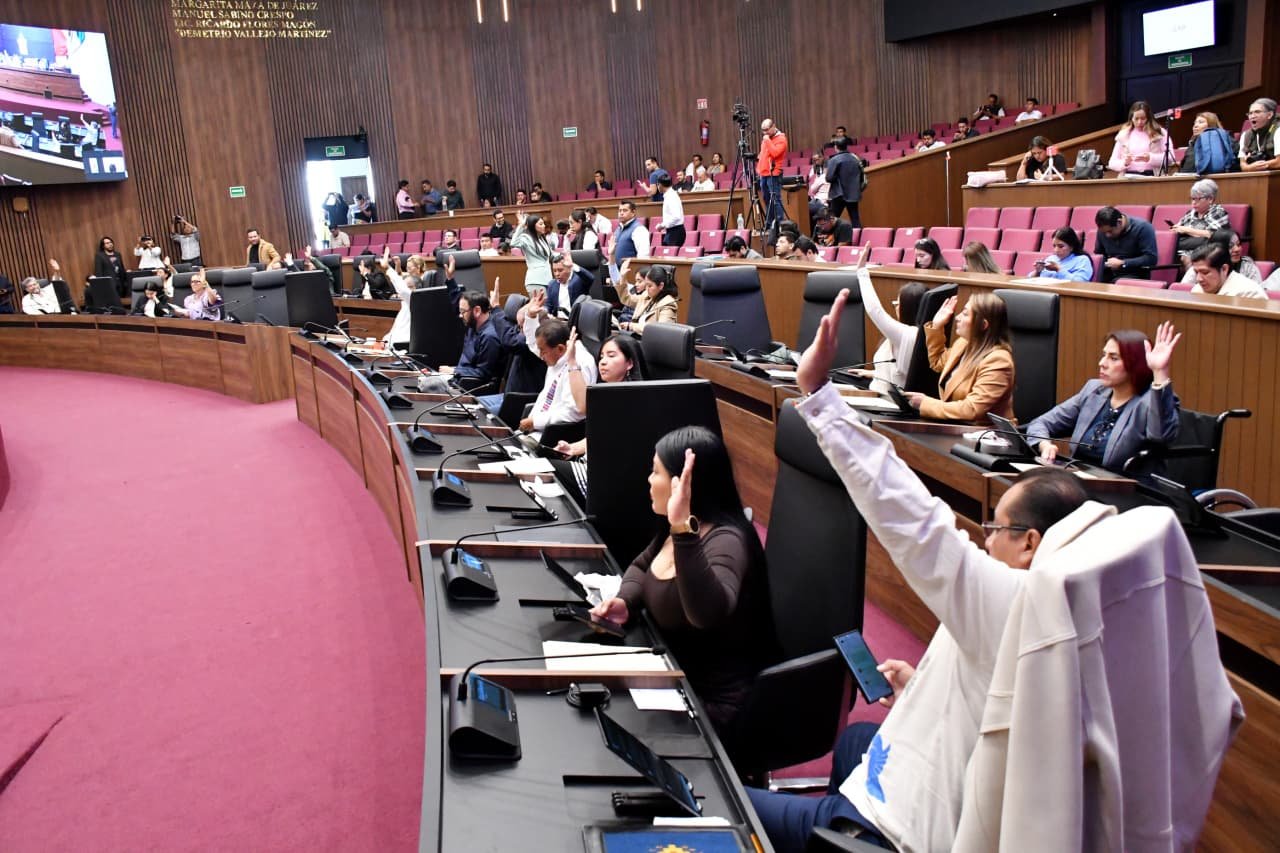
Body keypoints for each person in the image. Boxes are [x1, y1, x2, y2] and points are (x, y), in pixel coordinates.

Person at [748, 290, 1107, 851]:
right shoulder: (1073, 609)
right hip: (936, 780)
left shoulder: (1017, 601)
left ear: (1032, 544)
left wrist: (819, 397)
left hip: (893, 829)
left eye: (996, 531)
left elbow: (917, 523)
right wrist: (921, 685)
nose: (984, 542)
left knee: (726, 801)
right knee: (858, 739)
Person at [591, 426, 778, 745]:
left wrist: (681, 530)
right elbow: (640, 567)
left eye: (656, 472)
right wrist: (626, 601)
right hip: (670, 676)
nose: (649, 481)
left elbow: (707, 614)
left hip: (711, 709)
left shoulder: (725, 540)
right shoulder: (679, 529)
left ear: (685, 485)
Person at [1027, 324, 1181, 471]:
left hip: (1125, 489)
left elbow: (1161, 436)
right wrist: (1044, 445)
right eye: (1104, 355)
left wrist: (1160, 372)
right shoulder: (1094, 390)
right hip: (1078, 480)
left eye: (1113, 358)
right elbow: (1041, 423)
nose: (1102, 363)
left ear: (1136, 364)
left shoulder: (1151, 402)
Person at [904, 292, 1016, 423]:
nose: (957, 317)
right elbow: (937, 362)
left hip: (987, 434)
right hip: (958, 427)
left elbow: (972, 409)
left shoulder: (998, 361)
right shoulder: (964, 343)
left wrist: (925, 403)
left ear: (983, 325)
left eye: (965, 314)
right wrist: (937, 326)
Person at [554, 332, 648, 463]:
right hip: (589, 464)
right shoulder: (607, 394)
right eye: (602, 357)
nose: (603, 362)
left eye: (611, 356)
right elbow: (598, 436)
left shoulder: (633, 400)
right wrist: (572, 448)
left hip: (606, 472)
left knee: (547, 468)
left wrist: (572, 362)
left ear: (630, 363)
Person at [854, 246, 926, 390]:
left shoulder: (908, 334)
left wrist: (862, 272)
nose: (895, 306)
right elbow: (898, 372)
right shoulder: (918, 333)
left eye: (898, 303)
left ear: (909, 308)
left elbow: (875, 310)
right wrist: (874, 373)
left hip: (885, 404)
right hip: (878, 392)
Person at [516, 311, 597, 434]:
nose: (541, 356)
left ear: (560, 348)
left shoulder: (580, 363)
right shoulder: (558, 352)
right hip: (535, 428)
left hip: (552, 434)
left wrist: (535, 422)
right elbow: (535, 345)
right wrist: (531, 318)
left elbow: (574, 412)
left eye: (543, 352)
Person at [437, 289, 518, 390]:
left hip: (473, 388)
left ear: (477, 311)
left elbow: (483, 374)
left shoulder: (490, 337)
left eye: (463, 311)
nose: (460, 315)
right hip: (459, 380)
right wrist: (454, 371)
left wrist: (454, 371)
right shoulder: (472, 327)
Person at [1094, 206, 1157, 282]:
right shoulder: (1103, 231)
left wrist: (1123, 263)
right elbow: (1099, 255)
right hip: (1109, 273)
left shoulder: (1143, 228)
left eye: (1110, 231)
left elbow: (1151, 258)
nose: (1107, 235)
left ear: (1119, 222)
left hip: (1134, 274)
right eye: (1104, 232)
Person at [1107, 101, 1172, 176]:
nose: (1139, 122)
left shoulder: (1160, 133)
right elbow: (1112, 163)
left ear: (1148, 118)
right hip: (1128, 177)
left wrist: (1150, 158)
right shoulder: (1123, 135)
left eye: (1143, 118)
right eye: (1136, 119)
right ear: (1131, 118)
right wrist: (1125, 162)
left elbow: (1169, 158)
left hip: (1153, 176)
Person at [1171, 178, 1229, 260]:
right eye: (1192, 199)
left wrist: (1187, 230)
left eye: (1198, 199)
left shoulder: (1217, 212)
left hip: (1208, 253)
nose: (1194, 202)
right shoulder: (1190, 213)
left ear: (1210, 199)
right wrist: (1175, 229)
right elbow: (1179, 229)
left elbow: (1214, 235)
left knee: (1186, 258)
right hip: (1183, 250)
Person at [1179, 228, 1261, 285]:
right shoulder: (1200, 267)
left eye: (1238, 244)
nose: (1237, 249)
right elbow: (1183, 291)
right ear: (1217, 249)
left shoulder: (1248, 267)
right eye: (1230, 246)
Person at [1189, 242, 1268, 299]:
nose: (1198, 279)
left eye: (1205, 272)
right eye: (1196, 272)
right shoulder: (1197, 290)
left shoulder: (1250, 293)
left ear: (1224, 269)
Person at [615, 261, 678, 333]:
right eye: (646, 285)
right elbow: (627, 299)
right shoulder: (646, 296)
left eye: (650, 286)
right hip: (634, 336)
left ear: (661, 286)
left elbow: (661, 330)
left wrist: (632, 326)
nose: (647, 289)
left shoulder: (668, 304)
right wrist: (622, 278)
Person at [511, 212, 556, 292]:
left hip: (547, 279)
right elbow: (513, 243)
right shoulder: (526, 238)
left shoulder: (542, 238)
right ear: (533, 226)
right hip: (535, 280)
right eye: (541, 224)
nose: (544, 226)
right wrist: (521, 225)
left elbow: (551, 254)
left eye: (543, 224)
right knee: (540, 304)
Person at [824, 137, 864, 228]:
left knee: (832, 219)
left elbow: (829, 178)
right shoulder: (855, 158)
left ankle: (830, 240)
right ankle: (858, 239)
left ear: (836, 147)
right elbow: (861, 175)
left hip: (839, 194)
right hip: (853, 193)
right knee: (855, 219)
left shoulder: (834, 160)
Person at [608, 200, 651, 280]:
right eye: (620, 210)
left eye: (625, 210)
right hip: (617, 273)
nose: (621, 213)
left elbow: (643, 256)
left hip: (630, 274)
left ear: (633, 212)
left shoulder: (639, 229)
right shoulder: (618, 229)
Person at [758, 118, 788, 228]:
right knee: (766, 199)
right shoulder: (767, 139)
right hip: (763, 173)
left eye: (767, 130)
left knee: (775, 199)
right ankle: (769, 223)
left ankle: (780, 224)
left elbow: (775, 153)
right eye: (763, 130)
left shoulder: (781, 139)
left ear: (773, 126)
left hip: (774, 173)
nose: (765, 133)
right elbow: (764, 153)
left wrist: (767, 140)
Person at [543, 252, 593, 317]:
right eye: (554, 271)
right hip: (558, 321)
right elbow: (548, 305)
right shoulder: (552, 284)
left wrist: (573, 265)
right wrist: (544, 312)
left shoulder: (579, 280)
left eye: (560, 270)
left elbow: (590, 278)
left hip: (576, 321)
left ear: (569, 269)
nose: (557, 274)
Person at [1239, 97, 1279, 171]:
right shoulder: (1246, 135)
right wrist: (1250, 167)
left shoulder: (1278, 130)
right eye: (1250, 113)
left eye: (1257, 112)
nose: (1252, 116)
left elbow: (1278, 162)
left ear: (1269, 115)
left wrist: (1255, 166)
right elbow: (1242, 165)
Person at [655, 174, 685, 247]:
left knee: (670, 256)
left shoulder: (671, 196)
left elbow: (676, 217)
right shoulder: (669, 195)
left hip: (675, 232)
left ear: (660, 185)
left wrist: (662, 225)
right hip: (672, 231)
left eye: (657, 184)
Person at [807, 153, 831, 226]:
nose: (816, 162)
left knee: (804, 209)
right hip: (824, 201)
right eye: (814, 160)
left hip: (821, 202)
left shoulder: (823, 177)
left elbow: (813, 189)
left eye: (817, 159)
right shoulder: (835, 177)